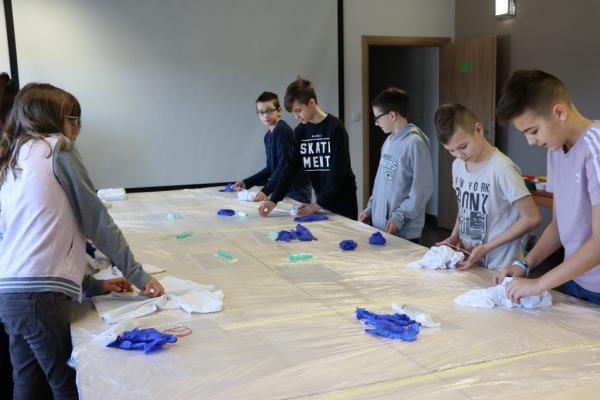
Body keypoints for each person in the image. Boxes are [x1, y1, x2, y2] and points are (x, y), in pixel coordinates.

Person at [0, 83, 164, 399]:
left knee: (27, 382)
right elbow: (97, 219)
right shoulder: (58, 148)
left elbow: (31, 238)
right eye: (72, 118)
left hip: (9, 292)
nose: (77, 128)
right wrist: (139, 276)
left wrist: (92, 285)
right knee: (67, 382)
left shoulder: (14, 154)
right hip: (40, 297)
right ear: (49, 117)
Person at [495, 69, 600, 304]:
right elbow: (558, 225)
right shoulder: (556, 150)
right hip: (575, 280)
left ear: (559, 112)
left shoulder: (596, 148)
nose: (531, 141)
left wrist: (540, 283)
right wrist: (525, 264)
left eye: (533, 131)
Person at [434, 102, 541, 270]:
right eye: (451, 150)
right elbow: (464, 207)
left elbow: (532, 218)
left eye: (463, 147)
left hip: (500, 266)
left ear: (478, 130)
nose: (459, 155)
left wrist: (486, 248)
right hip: (471, 260)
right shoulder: (458, 166)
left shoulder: (502, 168)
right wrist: (455, 235)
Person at [258, 78, 357, 219]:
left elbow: (339, 171)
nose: (296, 117)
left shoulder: (335, 127)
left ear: (311, 103)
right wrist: (274, 199)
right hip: (321, 200)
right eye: (293, 112)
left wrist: (318, 204)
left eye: (298, 110)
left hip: (342, 200)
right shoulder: (300, 131)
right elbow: (289, 168)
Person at [359, 87, 433, 242]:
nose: (376, 123)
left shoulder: (415, 143)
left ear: (392, 115)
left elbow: (422, 190)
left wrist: (399, 217)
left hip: (403, 231)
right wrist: (371, 208)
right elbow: (381, 182)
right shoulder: (388, 141)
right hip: (382, 226)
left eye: (377, 118)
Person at [232, 92, 311, 203]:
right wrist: (246, 182)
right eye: (261, 112)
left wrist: (266, 190)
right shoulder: (268, 136)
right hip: (282, 189)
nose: (265, 115)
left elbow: (284, 166)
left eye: (269, 111)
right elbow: (270, 168)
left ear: (279, 111)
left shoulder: (282, 131)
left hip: (295, 191)